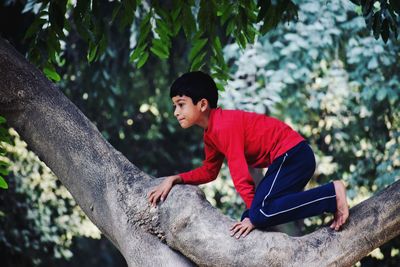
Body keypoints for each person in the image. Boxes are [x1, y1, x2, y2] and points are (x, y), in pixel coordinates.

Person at [147, 71, 349, 239]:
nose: (176, 111)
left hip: (293, 155)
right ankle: (328, 197)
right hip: (288, 159)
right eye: (175, 105)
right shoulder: (211, 135)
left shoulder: (224, 125)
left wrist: (255, 216)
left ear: (202, 104)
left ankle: (331, 193)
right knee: (253, 214)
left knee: (259, 214)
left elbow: (241, 176)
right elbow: (209, 171)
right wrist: (176, 179)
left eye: (181, 104)